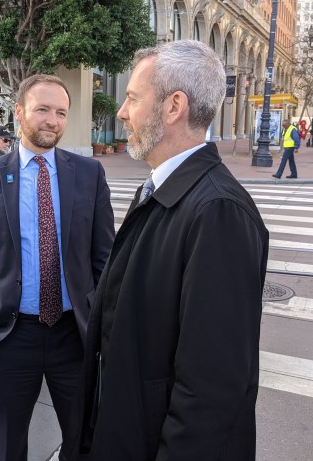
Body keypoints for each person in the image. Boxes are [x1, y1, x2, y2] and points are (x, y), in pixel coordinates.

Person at [70, 40, 269, 460]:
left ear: (173, 106)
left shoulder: (218, 211)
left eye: (132, 98)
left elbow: (210, 391)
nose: (122, 112)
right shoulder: (165, 187)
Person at [0, 74, 115, 461]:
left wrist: (99, 321)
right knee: (10, 443)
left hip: (72, 335)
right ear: (20, 112)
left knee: (82, 438)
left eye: (61, 112)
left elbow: (105, 258)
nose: (52, 120)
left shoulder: (89, 174)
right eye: (42, 109)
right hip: (10, 336)